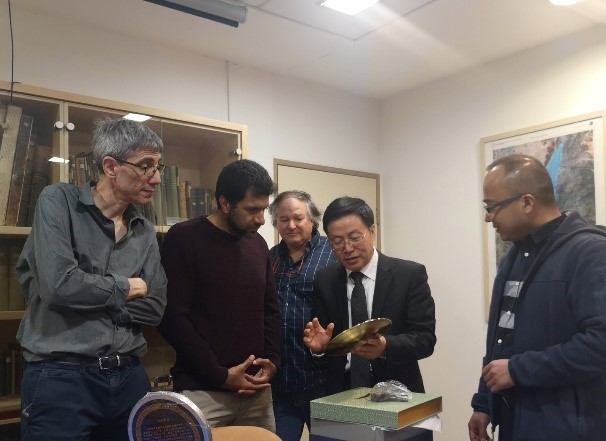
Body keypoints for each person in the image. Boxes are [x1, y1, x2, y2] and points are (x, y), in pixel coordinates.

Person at [16, 117, 168, 440]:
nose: (156, 178)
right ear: (111, 166)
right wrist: (126, 287)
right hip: (62, 377)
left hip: (130, 377)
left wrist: (85, 296)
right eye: (146, 166)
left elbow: (155, 307)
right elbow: (59, 287)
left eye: (158, 167)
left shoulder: (143, 229)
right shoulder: (58, 201)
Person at [468, 154, 606, 441]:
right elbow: (501, 339)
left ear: (527, 203)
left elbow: (600, 342)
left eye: (492, 207)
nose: (488, 217)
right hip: (515, 422)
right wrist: (484, 404)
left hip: (568, 429)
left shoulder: (590, 252)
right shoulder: (515, 255)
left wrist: (518, 370)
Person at [158, 159, 281, 431]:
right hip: (204, 394)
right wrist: (221, 375)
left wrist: (272, 361)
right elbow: (172, 318)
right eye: (252, 210)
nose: (261, 219)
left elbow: (270, 309)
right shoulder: (184, 238)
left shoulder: (258, 244)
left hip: (256, 393)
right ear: (225, 203)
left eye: (263, 209)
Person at [303, 196, 436, 396]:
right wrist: (320, 349)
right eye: (337, 242)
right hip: (342, 392)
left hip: (397, 391)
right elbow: (324, 342)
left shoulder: (409, 275)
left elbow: (425, 339)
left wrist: (386, 346)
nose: (348, 248)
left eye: (355, 238)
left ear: (372, 231)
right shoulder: (325, 280)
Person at [268, 191, 337, 441]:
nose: (291, 225)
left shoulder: (333, 254)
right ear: (275, 223)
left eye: (298, 218)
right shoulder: (270, 257)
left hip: (325, 383)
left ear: (312, 220)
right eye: (283, 219)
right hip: (282, 384)